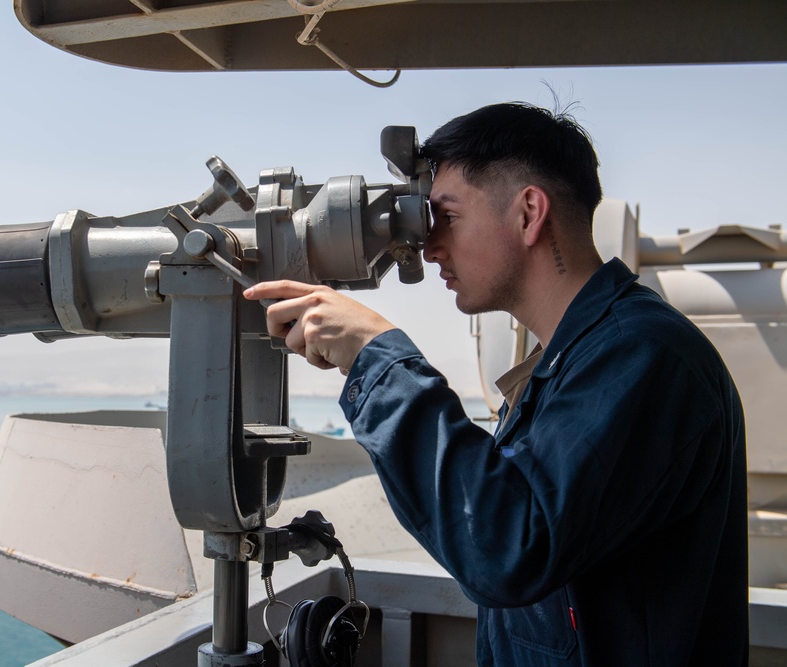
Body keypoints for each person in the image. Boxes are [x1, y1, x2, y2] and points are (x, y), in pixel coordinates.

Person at [244, 102, 748, 666]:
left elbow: (508, 548)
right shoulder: (573, 359)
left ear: (529, 212)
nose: (431, 247)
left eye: (448, 217)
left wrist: (376, 357)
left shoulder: (645, 356)